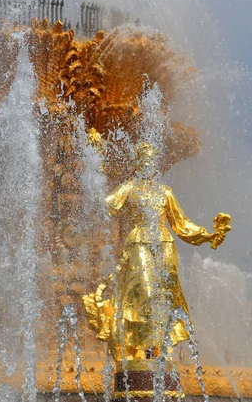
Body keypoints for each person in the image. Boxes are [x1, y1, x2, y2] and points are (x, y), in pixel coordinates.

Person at [84, 142, 230, 362]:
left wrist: (208, 236)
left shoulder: (165, 192)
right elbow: (104, 206)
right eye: (143, 160)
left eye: (151, 161)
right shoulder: (129, 187)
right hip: (139, 243)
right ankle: (133, 348)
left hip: (164, 246)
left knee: (161, 297)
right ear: (137, 164)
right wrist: (95, 173)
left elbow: (181, 224)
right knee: (141, 291)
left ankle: (155, 350)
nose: (147, 165)